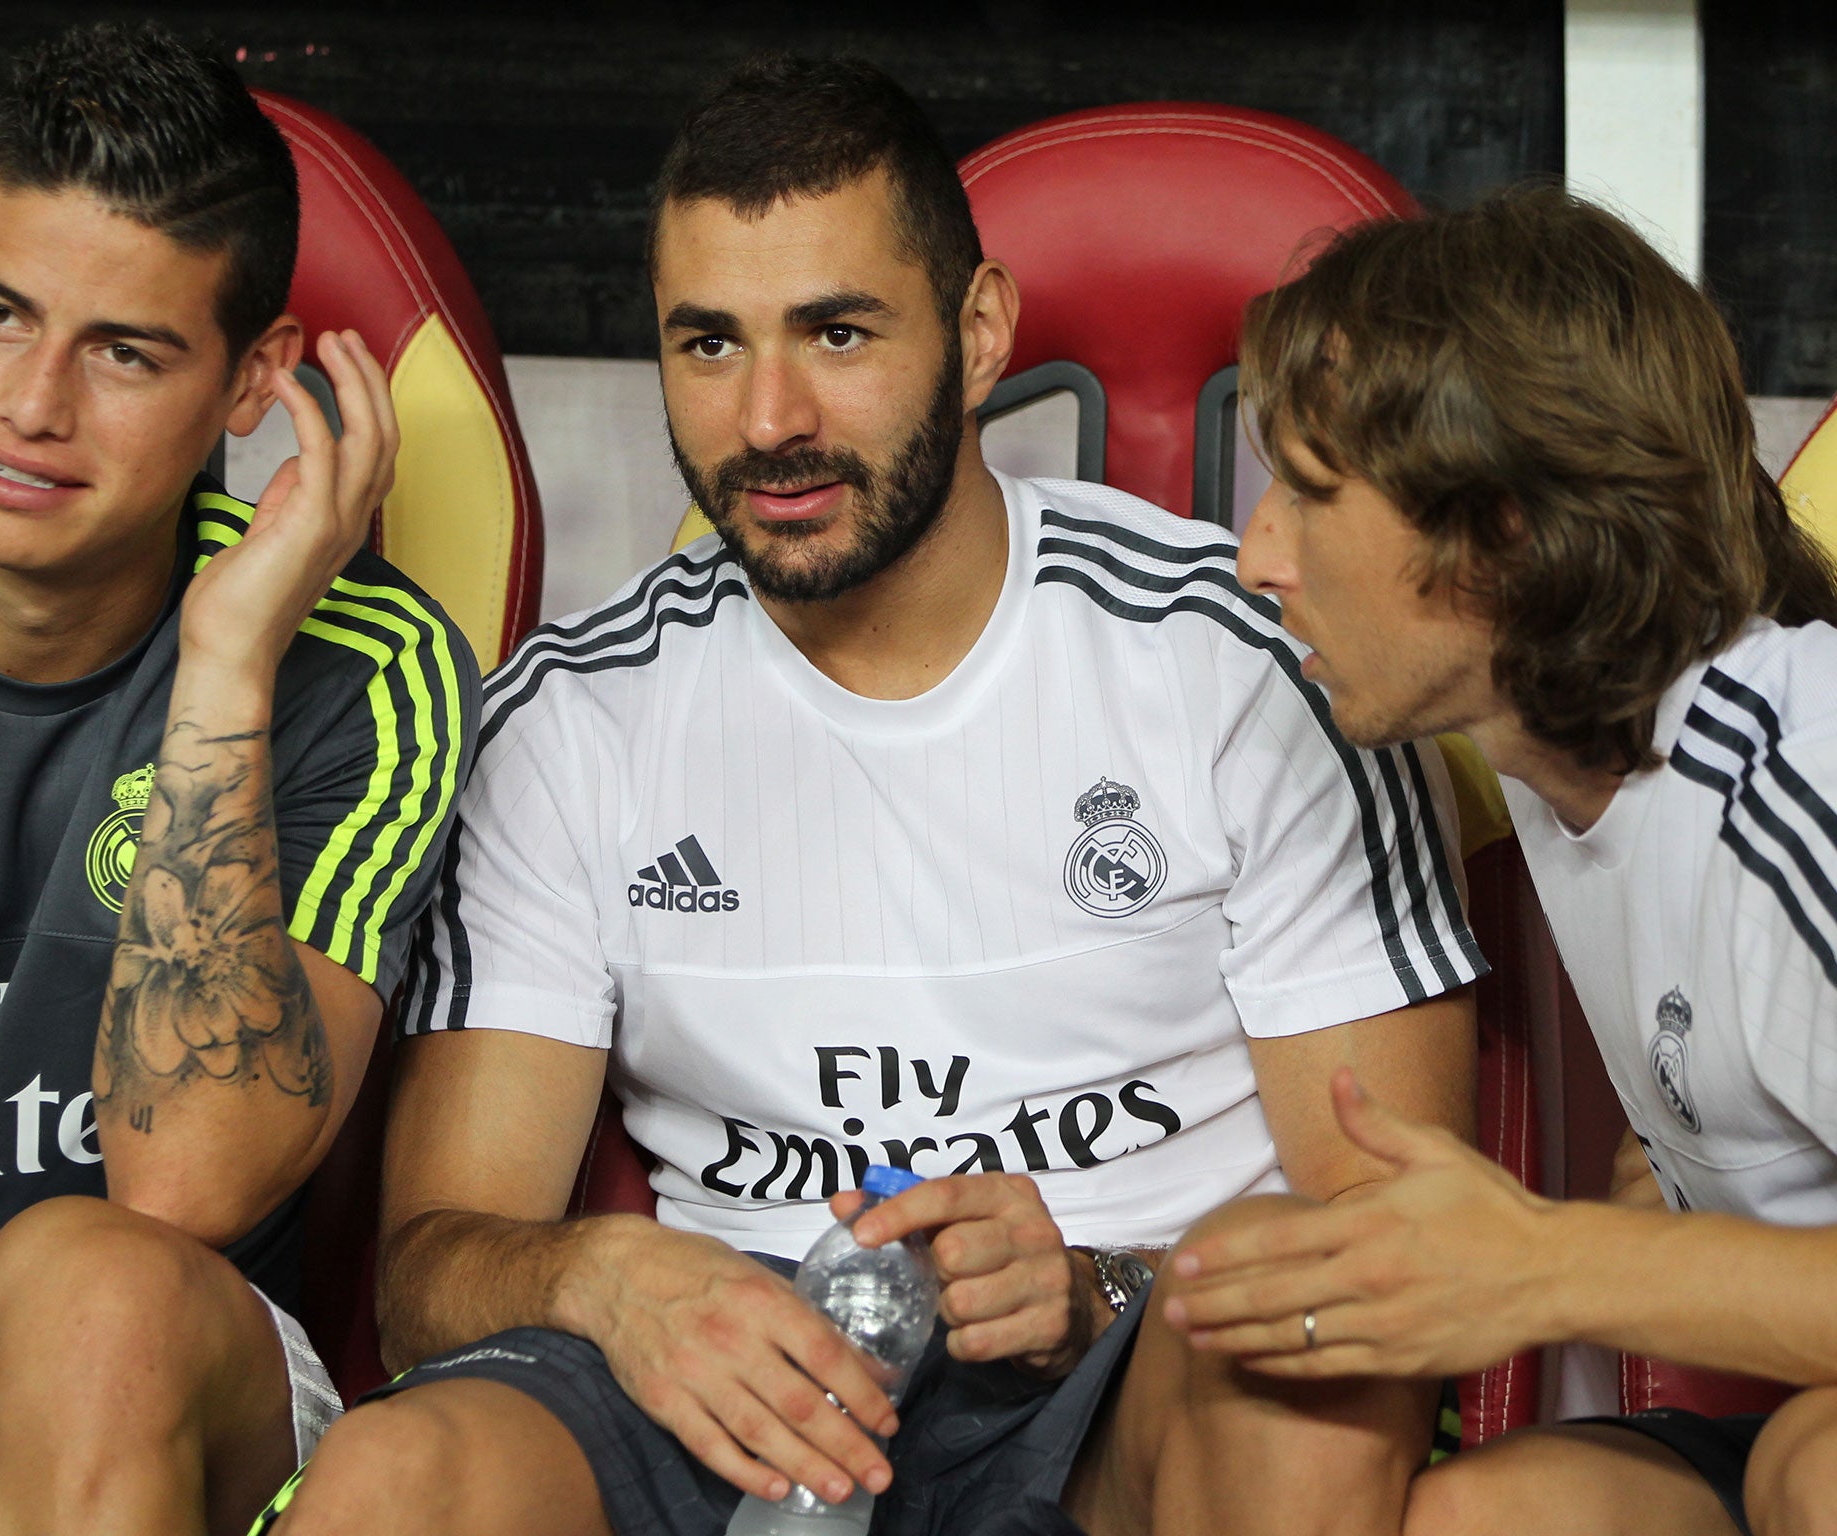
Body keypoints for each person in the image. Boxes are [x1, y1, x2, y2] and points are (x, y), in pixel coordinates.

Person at [271, 54, 1482, 1536]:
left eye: (836, 333)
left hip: (1127, 1371)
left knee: (1310, 1379)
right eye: (708, 345)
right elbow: (425, 1279)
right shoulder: (574, 720)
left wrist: (1099, 1288)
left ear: (981, 336)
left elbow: (1403, 1246)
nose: (770, 416)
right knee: (397, 1478)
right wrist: (604, 1276)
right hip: (730, 1373)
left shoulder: (1248, 666)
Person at [0, 22, 476, 1536]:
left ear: (254, 382)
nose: (34, 405)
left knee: (91, 1281)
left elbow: (187, 1191)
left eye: (125, 351)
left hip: (153, 1368)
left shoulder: (366, 674)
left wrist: (225, 663)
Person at [1161, 185, 1837, 1536]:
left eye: (1307, 492)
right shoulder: (1554, 741)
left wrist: (1554, 1264)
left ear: (1503, 536)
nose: (1256, 558)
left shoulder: (1801, 781)